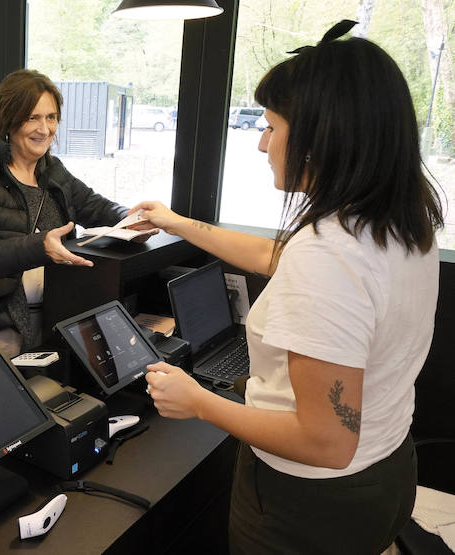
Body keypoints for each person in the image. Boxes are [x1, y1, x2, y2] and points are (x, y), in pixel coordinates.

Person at [137, 22, 443, 553]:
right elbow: (275, 257)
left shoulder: (329, 254)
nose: (261, 144)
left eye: (271, 126)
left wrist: (198, 401)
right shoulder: (396, 221)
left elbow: (324, 442)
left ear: (320, 139)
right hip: (388, 467)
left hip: (310, 502)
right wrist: (179, 223)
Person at [0, 69, 143, 368]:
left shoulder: (51, 169)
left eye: (51, 117)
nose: (45, 129)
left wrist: (128, 217)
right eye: (32, 117)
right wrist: (40, 247)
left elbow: (92, 205)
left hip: (48, 318)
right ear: (8, 119)